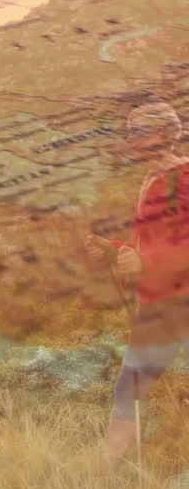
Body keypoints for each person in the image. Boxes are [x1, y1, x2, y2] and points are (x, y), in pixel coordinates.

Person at [86, 101, 189, 465]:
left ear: (164, 134)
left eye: (139, 132)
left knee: (132, 386)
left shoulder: (183, 177)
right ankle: (103, 473)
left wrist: (145, 262)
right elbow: (158, 244)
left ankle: (105, 470)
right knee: (130, 387)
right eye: (129, 132)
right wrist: (116, 251)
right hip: (160, 305)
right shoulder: (153, 179)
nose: (131, 140)